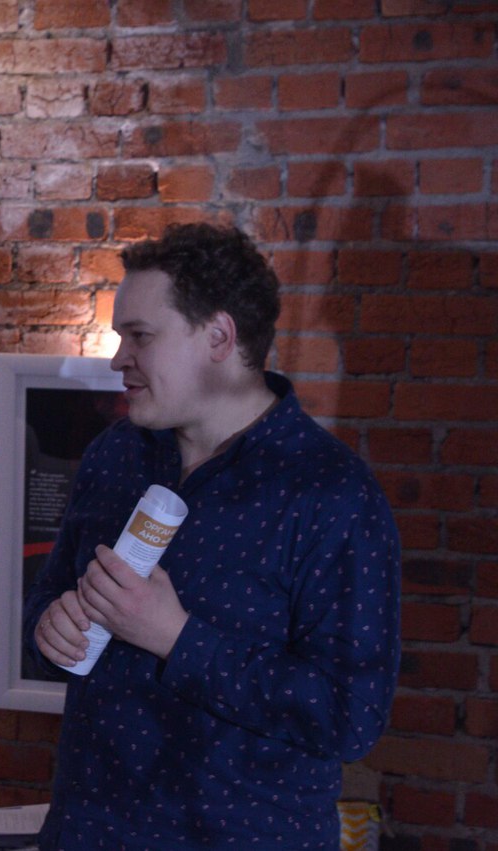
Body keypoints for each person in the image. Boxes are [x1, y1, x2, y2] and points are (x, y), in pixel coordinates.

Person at [23, 223, 400, 849]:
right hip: (86, 829)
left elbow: (349, 716)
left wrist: (176, 637)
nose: (118, 359)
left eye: (140, 336)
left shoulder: (332, 493)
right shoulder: (115, 455)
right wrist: (48, 629)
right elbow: (47, 606)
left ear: (219, 337)